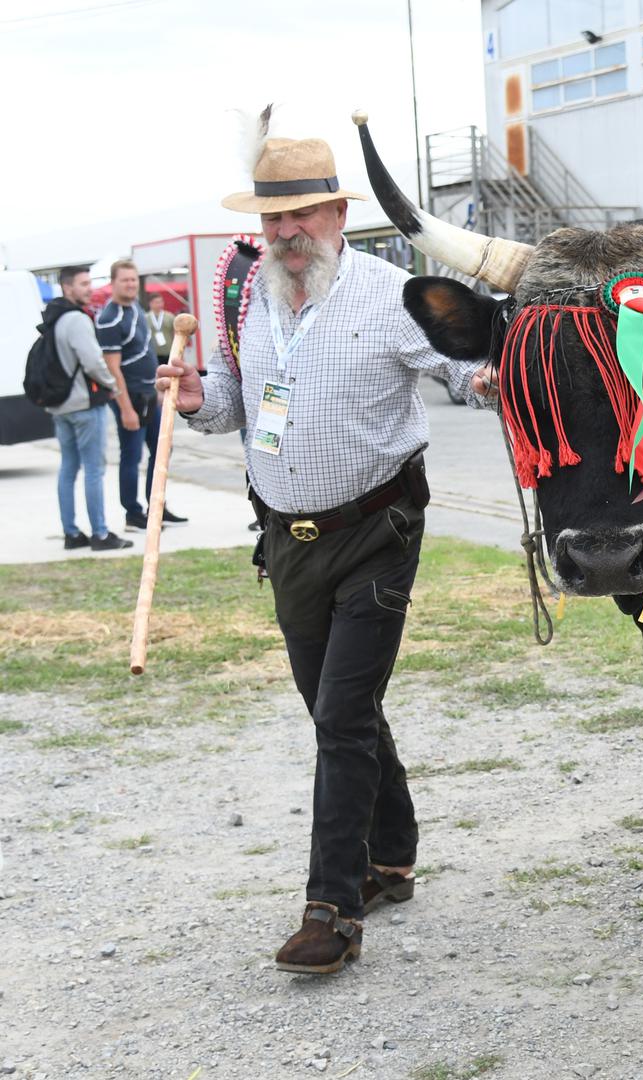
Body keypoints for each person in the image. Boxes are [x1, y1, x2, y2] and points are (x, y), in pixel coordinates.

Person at [156, 126, 492, 976]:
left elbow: (461, 370)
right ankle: (394, 855)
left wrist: (491, 376)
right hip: (286, 537)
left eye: (300, 214)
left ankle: (332, 908)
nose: (284, 233)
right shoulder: (251, 296)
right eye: (272, 219)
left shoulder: (392, 293)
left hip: (378, 532)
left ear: (339, 212)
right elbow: (235, 404)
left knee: (341, 716)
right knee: (336, 709)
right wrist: (199, 398)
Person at [44, 267, 133, 551]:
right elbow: (94, 362)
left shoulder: (53, 318)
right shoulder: (76, 319)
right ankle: (100, 533)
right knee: (94, 469)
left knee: (68, 468)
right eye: (82, 284)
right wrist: (113, 387)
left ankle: (71, 533)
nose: (88, 289)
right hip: (84, 404)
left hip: (61, 405)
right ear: (67, 287)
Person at [97, 259, 186, 530]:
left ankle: (156, 506)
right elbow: (112, 369)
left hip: (150, 393)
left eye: (134, 279)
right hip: (131, 397)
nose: (131, 284)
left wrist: (158, 389)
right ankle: (133, 514)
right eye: (125, 280)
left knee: (161, 449)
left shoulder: (136, 308)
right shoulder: (108, 319)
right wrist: (125, 408)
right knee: (132, 455)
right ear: (113, 283)